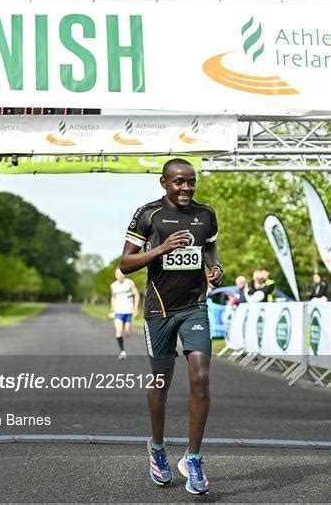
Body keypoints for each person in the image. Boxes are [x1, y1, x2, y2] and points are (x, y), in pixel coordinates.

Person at [120, 158, 223, 495]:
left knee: (200, 376)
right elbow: (126, 263)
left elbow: (209, 246)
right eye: (179, 182)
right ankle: (158, 449)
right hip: (159, 310)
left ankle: (193, 459)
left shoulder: (205, 214)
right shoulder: (148, 214)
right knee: (161, 383)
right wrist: (162, 248)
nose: (187, 188)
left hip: (194, 306)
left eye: (191, 182)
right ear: (164, 183)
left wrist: (214, 266)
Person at [109, 268, 140, 360]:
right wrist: (112, 308)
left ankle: (126, 328)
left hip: (128, 311)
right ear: (115, 275)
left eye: (121, 274)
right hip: (118, 312)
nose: (120, 275)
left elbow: (137, 294)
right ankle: (122, 351)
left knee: (127, 333)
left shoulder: (130, 282)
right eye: (118, 274)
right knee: (118, 331)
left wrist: (135, 308)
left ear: (124, 274)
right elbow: (113, 297)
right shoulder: (113, 285)